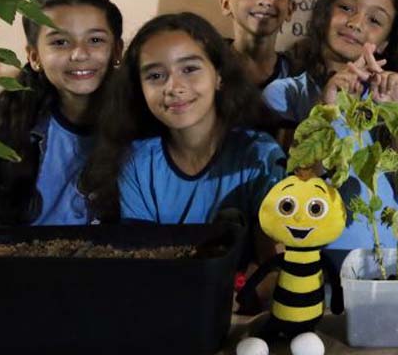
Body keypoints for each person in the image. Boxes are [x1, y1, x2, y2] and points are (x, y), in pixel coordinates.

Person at [80, 13, 284, 261]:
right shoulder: (137, 162)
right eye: (155, 76)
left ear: (218, 75)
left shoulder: (259, 156)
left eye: (189, 69)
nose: (174, 87)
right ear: (139, 88)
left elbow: (273, 265)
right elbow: (144, 261)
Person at [262, 0, 398, 253]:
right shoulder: (287, 94)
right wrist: (328, 104)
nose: (356, 23)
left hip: (384, 258)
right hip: (313, 257)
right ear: (324, 14)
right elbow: (301, 179)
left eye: (375, 20)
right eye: (347, 8)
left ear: (384, 42)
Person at [0, 0, 123, 226]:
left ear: (116, 50)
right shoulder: (3, 128)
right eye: (60, 42)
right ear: (34, 57)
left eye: (95, 40)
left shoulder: (142, 127)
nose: (79, 54)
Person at [220, 0, 295, 88]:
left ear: (290, 9)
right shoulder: (208, 67)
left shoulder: (299, 77)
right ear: (225, 3)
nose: (265, 1)